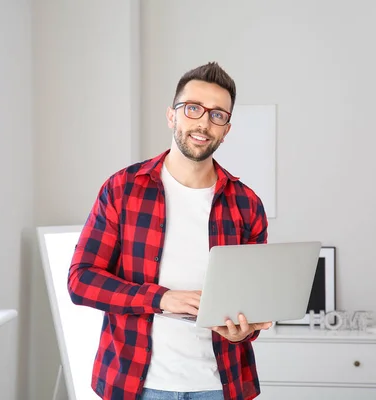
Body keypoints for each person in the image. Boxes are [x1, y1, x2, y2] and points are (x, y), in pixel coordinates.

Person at [68, 61, 272, 400]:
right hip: (135, 385)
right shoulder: (122, 189)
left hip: (219, 386)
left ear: (226, 129)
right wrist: (162, 298)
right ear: (172, 116)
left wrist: (243, 332)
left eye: (217, 115)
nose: (203, 123)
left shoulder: (247, 204)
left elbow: (252, 303)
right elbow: (81, 281)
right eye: (193, 109)